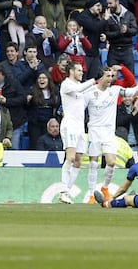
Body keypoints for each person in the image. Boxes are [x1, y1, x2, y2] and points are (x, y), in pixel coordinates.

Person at [83, 67, 138, 204]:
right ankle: (91, 195)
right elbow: (80, 108)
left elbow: (132, 91)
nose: (111, 78)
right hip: (94, 131)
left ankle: (105, 188)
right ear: (101, 77)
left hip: (108, 132)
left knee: (111, 162)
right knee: (94, 163)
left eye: (112, 75)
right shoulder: (90, 93)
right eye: (108, 75)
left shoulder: (115, 90)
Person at [58, 62, 96, 204]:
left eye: (82, 70)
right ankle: (63, 191)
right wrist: (93, 80)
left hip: (80, 127)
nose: (82, 72)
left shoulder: (80, 89)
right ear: (71, 71)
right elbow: (80, 87)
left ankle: (66, 190)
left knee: (78, 160)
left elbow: (87, 91)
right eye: (79, 70)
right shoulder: (66, 84)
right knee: (71, 158)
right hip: (70, 125)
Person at [27, 71, 61, 149]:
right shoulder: (32, 91)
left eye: (44, 78)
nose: (41, 80)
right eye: (39, 78)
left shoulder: (55, 92)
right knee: (35, 145)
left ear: (48, 80)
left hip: (49, 123)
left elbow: (58, 105)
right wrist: (28, 100)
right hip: (35, 124)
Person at [104, 0, 137, 73]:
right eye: (107, 4)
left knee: (130, 75)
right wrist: (119, 33)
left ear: (117, 2)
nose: (108, 6)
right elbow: (106, 34)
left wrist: (127, 30)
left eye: (110, 3)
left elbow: (135, 31)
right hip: (113, 50)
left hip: (127, 50)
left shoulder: (129, 15)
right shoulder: (108, 16)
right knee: (111, 75)